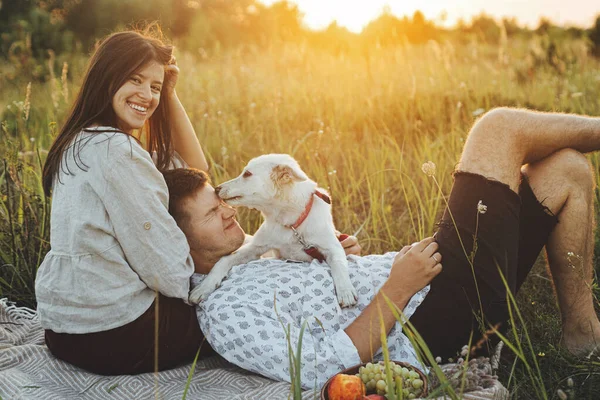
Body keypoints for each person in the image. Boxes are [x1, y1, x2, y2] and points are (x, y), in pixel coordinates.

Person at [162, 107, 600, 389]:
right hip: (425, 324)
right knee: (496, 128)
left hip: (428, 280)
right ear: (179, 241)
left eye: (219, 203)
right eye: (209, 215)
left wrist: (342, 260)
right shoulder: (223, 311)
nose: (227, 211)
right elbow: (318, 366)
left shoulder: (251, 258)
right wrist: (397, 287)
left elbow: (317, 293)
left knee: (567, 171)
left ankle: (581, 337)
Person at [34, 27, 214, 375]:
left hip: (64, 330)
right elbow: (169, 273)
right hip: (115, 335)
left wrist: (170, 94)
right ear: (107, 78)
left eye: (155, 87)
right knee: (228, 309)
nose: (147, 95)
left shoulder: (80, 142)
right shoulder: (117, 151)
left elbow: (195, 169)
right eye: (135, 80)